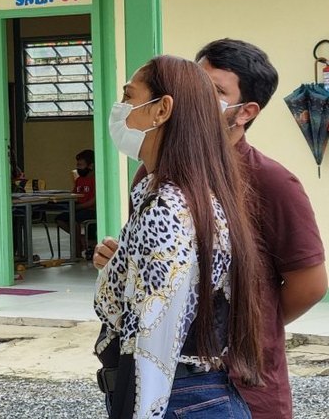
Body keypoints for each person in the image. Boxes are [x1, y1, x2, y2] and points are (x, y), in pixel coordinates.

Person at [94, 39, 327, 419]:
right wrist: (123, 264)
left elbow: (309, 285)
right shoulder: (154, 177)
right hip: (171, 384)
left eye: (214, 91)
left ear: (246, 111)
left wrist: (236, 323)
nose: (198, 98)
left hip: (237, 383)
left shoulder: (271, 182)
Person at [94, 55, 263, 418]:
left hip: (176, 400)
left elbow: (152, 348)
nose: (120, 107)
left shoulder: (167, 207)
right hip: (191, 397)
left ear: (161, 110)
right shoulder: (178, 194)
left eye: (129, 96)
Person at [55, 149, 96, 259]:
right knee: (59, 219)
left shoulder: (95, 179)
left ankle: (77, 251)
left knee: (74, 220)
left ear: (90, 166)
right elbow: (74, 195)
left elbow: (94, 200)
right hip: (78, 209)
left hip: (91, 210)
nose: (78, 168)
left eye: (81, 165)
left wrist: (79, 207)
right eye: (77, 165)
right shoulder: (79, 180)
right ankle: (80, 238)